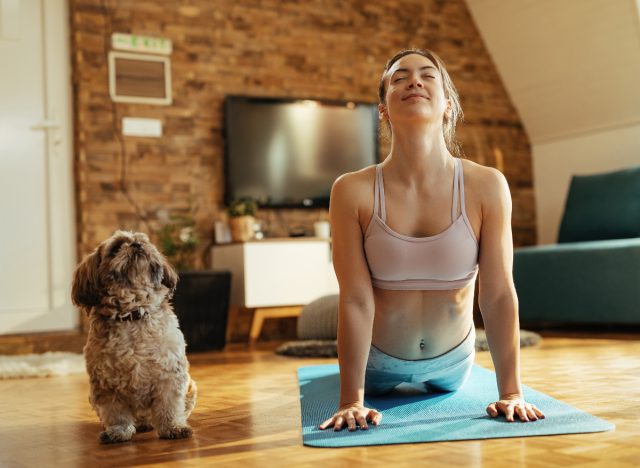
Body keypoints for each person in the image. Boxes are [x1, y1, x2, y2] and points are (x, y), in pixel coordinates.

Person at [319, 48, 545, 432]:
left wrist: (511, 393)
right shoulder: (351, 190)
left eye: (428, 74)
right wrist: (351, 400)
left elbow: (498, 293)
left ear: (448, 105)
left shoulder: (486, 185)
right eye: (399, 77)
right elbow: (355, 299)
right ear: (383, 110)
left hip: (453, 363)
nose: (414, 81)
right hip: (377, 364)